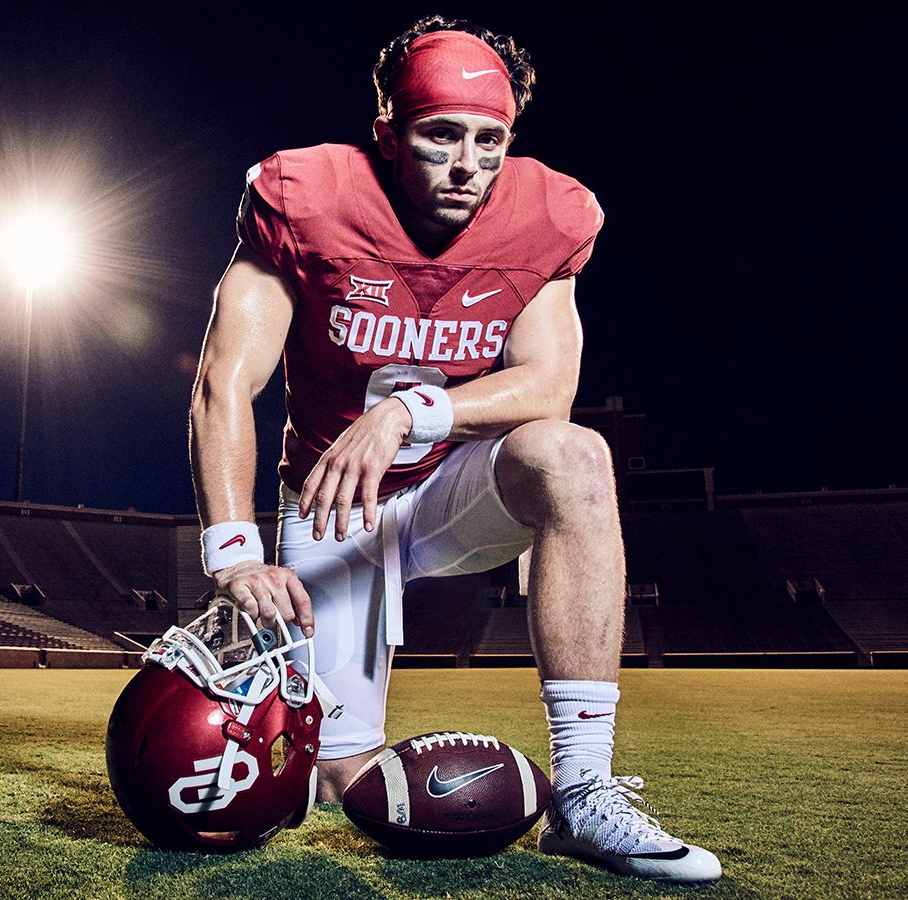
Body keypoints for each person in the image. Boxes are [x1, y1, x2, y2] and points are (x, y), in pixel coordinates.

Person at [188, 14, 721, 884]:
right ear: (387, 133)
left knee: (572, 454)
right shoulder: (305, 197)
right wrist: (234, 553)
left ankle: (583, 795)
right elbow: (222, 383)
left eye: (489, 139)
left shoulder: (548, 213)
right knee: (329, 782)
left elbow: (548, 385)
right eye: (441, 135)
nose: (468, 164)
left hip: (451, 483)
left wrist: (408, 415)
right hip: (333, 501)